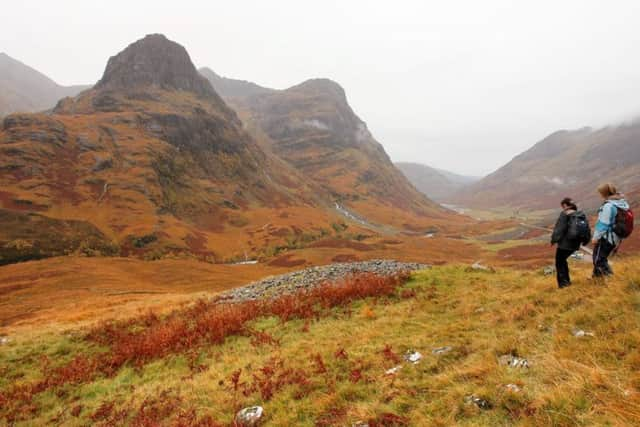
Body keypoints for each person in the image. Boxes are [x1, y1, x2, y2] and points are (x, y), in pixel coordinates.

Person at [592, 183, 630, 278]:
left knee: (598, 259)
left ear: (604, 193)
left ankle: (610, 278)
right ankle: (596, 279)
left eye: (600, 192)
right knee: (600, 257)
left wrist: (596, 237)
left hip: (607, 237)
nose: (599, 194)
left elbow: (603, 224)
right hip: (616, 236)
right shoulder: (622, 203)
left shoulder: (608, 206)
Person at [550, 197, 582, 288]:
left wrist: (553, 240)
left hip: (565, 244)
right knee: (563, 261)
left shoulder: (565, 214)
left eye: (562, 206)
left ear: (565, 205)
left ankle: (563, 284)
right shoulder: (579, 214)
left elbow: (559, 229)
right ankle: (566, 282)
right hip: (575, 244)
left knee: (559, 262)